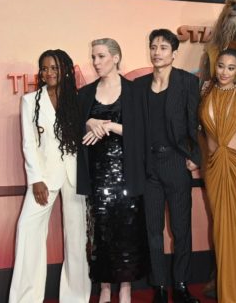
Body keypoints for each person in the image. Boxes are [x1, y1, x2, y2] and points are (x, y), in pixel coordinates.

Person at [9, 49, 90, 303]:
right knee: (28, 229)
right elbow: (29, 143)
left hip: (75, 175)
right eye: (44, 68)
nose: (48, 73)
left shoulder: (78, 99)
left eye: (54, 67)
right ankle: (25, 298)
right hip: (44, 176)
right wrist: (35, 179)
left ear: (65, 69)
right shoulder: (29, 100)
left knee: (77, 238)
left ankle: (76, 297)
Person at [77, 38, 149, 303]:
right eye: (93, 57)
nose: (96, 62)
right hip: (96, 177)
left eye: (101, 56)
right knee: (101, 234)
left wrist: (110, 126)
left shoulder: (136, 91)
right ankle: (105, 290)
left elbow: (145, 134)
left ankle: (126, 290)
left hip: (127, 174)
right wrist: (89, 122)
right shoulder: (84, 94)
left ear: (116, 58)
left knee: (127, 233)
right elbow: (73, 132)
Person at [133, 29, 201, 303]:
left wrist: (194, 156)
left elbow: (196, 121)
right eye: (153, 47)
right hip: (149, 165)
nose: (157, 52)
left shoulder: (187, 82)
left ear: (174, 53)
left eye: (163, 47)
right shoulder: (138, 85)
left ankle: (181, 285)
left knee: (181, 228)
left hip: (176, 161)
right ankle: (160, 287)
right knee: (152, 230)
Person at [199, 48, 236, 303]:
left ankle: (235, 294)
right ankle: (227, 293)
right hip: (214, 168)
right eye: (221, 66)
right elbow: (200, 133)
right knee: (221, 231)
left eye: (231, 67)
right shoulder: (204, 94)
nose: (224, 72)